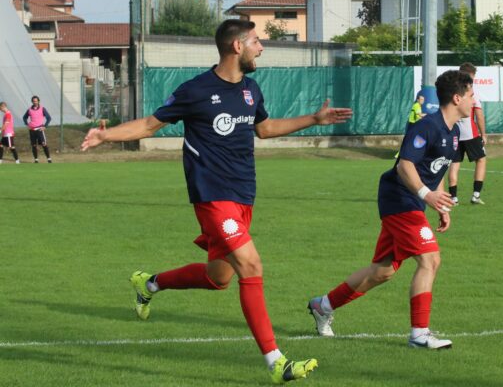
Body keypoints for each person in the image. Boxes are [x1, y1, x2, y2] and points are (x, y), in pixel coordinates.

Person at [81, 19, 352, 384]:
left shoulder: (251, 90)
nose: (262, 47)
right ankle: (276, 361)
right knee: (251, 266)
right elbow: (149, 125)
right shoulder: (195, 90)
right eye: (256, 41)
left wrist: (315, 119)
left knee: (218, 277)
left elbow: (265, 129)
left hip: (243, 196)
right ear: (237, 47)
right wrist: (106, 135)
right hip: (212, 198)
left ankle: (149, 284)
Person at [307, 70, 474, 349]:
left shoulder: (453, 131)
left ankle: (323, 306)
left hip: (414, 201)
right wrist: (426, 195)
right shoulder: (427, 126)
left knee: (382, 272)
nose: (473, 101)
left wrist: (440, 202)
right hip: (399, 198)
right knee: (430, 260)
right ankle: (419, 334)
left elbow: (437, 168)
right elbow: (404, 165)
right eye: (471, 96)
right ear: (457, 98)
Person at [448, 62, 487, 205]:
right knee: (481, 160)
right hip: (470, 133)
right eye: (473, 76)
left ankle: (453, 198)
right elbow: (479, 114)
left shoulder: (452, 91)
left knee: (454, 163)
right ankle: (476, 195)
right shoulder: (471, 93)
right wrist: (483, 134)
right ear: (470, 75)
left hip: (454, 134)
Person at [23, 95, 52, 163]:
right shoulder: (29, 109)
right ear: (32, 102)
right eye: (33, 101)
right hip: (32, 130)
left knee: (44, 144)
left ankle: (49, 159)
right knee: (34, 145)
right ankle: (36, 160)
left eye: (36, 101)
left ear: (38, 101)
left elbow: (49, 118)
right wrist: (27, 124)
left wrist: (45, 126)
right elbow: (24, 117)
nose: (35, 102)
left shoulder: (42, 109)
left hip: (40, 129)